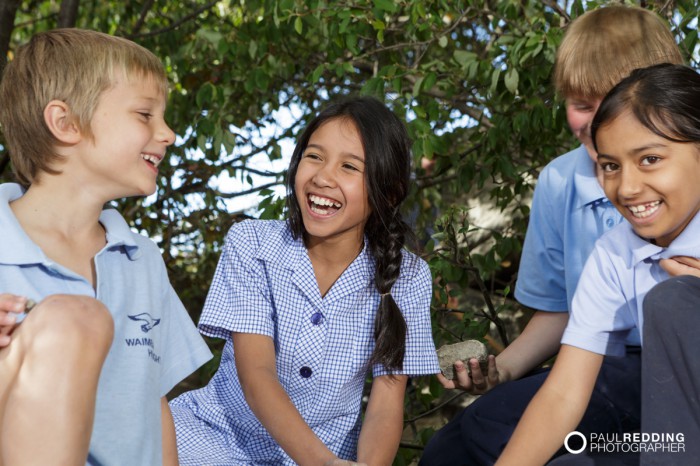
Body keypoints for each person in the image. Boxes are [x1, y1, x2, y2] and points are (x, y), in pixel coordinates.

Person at [421, 5, 685, 465]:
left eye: (613, 103)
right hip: (595, 363)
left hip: (666, 371)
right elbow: (560, 317)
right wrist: (500, 370)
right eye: (581, 106)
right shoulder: (566, 188)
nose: (597, 124)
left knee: (499, 424)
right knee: (454, 449)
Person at [169, 96, 440, 465]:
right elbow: (257, 376)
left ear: (387, 192)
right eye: (314, 156)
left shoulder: (409, 277)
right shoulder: (252, 244)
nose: (323, 177)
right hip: (213, 438)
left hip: (332, 454)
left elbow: (386, 403)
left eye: (349, 167)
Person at [0, 28, 212, 465]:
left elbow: (153, 404)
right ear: (66, 123)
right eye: (144, 114)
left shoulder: (143, 262)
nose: (168, 133)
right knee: (71, 319)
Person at [497, 63, 700, 465]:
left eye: (650, 159)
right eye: (610, 166)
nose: (626, 188)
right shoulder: (613, 253)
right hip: (671, 438)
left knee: (671, 302)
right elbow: (562, 394)